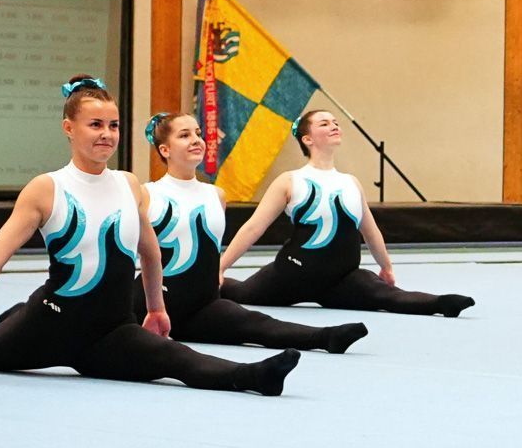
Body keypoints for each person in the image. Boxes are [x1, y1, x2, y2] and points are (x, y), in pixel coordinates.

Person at [0, 77, 300, 395]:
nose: (106, 134)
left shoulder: (129, 185)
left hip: (112, 332)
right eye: (95, 124)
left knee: (177, 358)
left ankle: (256, 377)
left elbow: (151, 255)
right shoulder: (47, 188)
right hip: (49, 325)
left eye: (113, 125)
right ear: (69, 128)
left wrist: (156, 308)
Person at [129, 113, 367, 352]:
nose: (195, 140)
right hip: (152, 306)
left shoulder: (215, 195)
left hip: (203, 306)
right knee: (177, 355)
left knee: (256, 323)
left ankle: (326, 337)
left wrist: (220, 268)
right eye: (184, 135)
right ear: (165, 150)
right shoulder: (146, 194)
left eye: (198, 134)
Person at [219, 108, 475, 316]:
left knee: (387, 296)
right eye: (324, 124)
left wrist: (385, 266)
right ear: (307, 139)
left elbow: (370, 230)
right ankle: (195, 282)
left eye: (335, 122)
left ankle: (443, 303)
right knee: (240, 293)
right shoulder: (290, 181)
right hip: (294, 274)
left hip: (343, 278)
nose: (333, 126)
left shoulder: (351, 183)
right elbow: (254, 227)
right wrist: (220, 268)